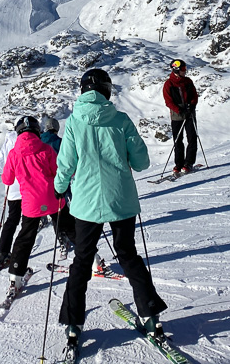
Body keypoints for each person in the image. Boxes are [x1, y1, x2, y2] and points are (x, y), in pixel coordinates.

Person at [56, 68, 167, 348]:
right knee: (128, 255)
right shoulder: (120, 120)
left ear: (82, 91)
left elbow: (66, 164)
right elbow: (141, 162)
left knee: (82, 261)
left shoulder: (73, 123)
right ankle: (150, 316)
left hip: (85, 203)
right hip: (121, 200)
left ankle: (73, 324)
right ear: (107, 90)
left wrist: (58, 188)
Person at [1, 116, 73, 299]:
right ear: (37, 131)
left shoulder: (14, 153)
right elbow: (57, 171)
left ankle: (15, 278)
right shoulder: (46, 148)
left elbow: (7, 180)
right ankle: (93, 261)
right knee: (71, 228)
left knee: (25, 238)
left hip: (31, 203)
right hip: (53, 198)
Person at [0, 124, 24, 272]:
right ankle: (20, 252)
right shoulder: (27, 140)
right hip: (28, 187)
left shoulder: (7, 142)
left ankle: (2, 254)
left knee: (12, 220)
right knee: (29, 221)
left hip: (11, 189)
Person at [162, 59, 198, 174]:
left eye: (185, 69)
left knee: (192, 137)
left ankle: (189, 163)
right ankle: (179, 164)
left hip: (189, 112)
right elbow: (168, 101)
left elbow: (194, 95)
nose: (185, 71)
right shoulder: (169, 84)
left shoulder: (188, 81)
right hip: (177, 115)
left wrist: (191, 106)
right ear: (176, 70)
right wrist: (180, 110)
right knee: (178, 140)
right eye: (183, 69)